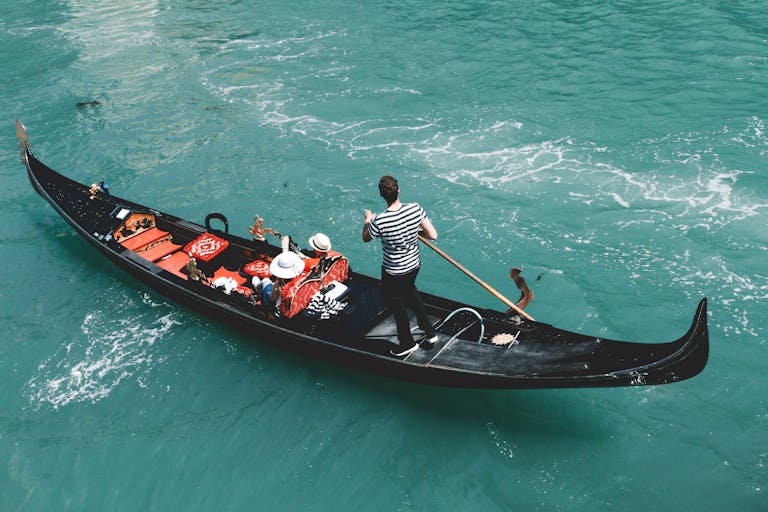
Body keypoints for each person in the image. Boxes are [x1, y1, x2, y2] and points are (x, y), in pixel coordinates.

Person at [362, 175, 438, 357]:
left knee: (396, 304)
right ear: (399, 190)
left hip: (394, 271)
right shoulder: (415, 209)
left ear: (382, 195)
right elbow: (432, 235)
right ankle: (429, 332)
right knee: (411, 291)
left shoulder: (379, 221)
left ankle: (407, 343)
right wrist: (412, 231)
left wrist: (367, 222)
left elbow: (366, 238)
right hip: (414, 265)